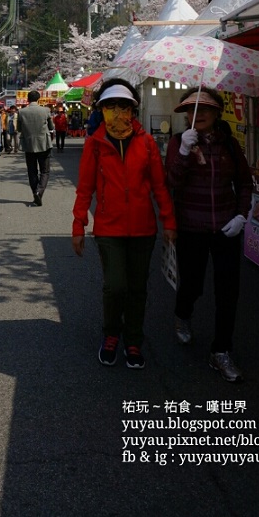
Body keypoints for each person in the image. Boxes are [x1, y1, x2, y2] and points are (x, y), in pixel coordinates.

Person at [72, 79, 176, 370]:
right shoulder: (95, 144)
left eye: (124, 107)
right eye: (110, 107)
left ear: (133, 110)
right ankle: (111, 335)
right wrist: (78, 225)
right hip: (108, 229)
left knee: (138, 288)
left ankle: (133, 339)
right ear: (101, 110)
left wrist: (169, 221)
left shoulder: (146, 143)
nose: (118, 113)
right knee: (116, 286)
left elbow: (159, 187)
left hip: (144, 229)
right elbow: (84, 189)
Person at [165, 87, 252, 383]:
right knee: (192, 285)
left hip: (227, 228)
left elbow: (244, 183)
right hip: (192, 227)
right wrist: (186, 152)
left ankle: (221, 351)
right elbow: (172, 181)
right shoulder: (178, 142)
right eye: (192, 110)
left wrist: (242, 214)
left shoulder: (230, 144)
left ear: (217, 114)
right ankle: (182, 312)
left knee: (229, 292)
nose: (197, 115)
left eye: (204, 109)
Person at [17, 90, 54, 206]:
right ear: (38, 99)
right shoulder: (46, 110)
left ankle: (35, 192)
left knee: (32, 171)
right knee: (45, 170)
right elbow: (51, 127)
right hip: (44, 143)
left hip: (29, 144)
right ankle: (39, 191)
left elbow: (19, 128)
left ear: (28, 99)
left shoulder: (21, 112)